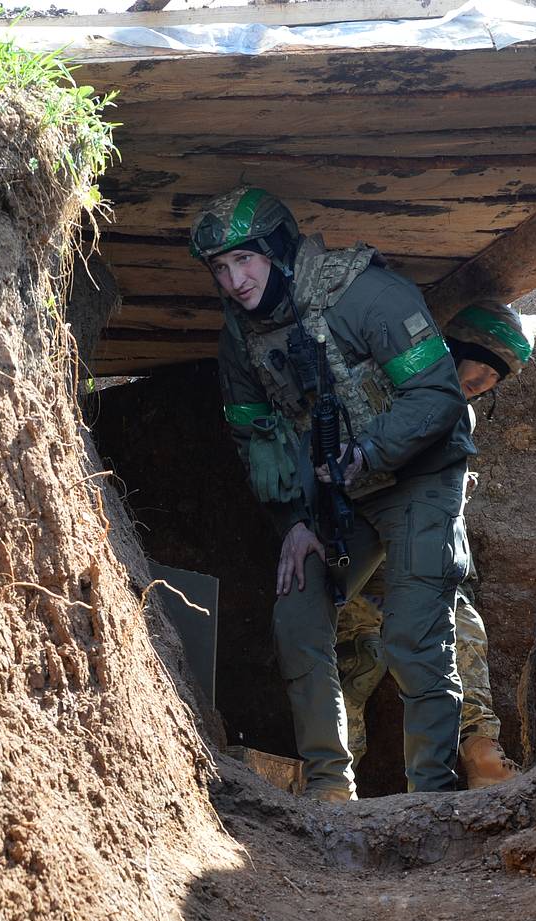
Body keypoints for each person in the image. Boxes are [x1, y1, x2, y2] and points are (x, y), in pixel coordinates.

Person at [190, 187, 473, 801]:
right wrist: (293, 522)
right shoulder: (240, 339)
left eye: (246, 260)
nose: (235, 281)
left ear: (277, 250)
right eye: (220, 268)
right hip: (334, 496)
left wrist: (369, 451)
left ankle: (433, 801)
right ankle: (329, 796)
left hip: (417, 478)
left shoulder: (368, 294)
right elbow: (253, 438)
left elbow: (438, 397)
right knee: (295, 617)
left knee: (414, 638)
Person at [336, 301, 532, 789]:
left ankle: (480, 756)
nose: (486, 380)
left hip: (420, 574)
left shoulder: (457, 412)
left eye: (497, 376)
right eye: (481, 365)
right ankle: (333, 786)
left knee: (462, 639)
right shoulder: (396, 394)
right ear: (454, 349)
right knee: (352, 671)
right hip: (365, 570)